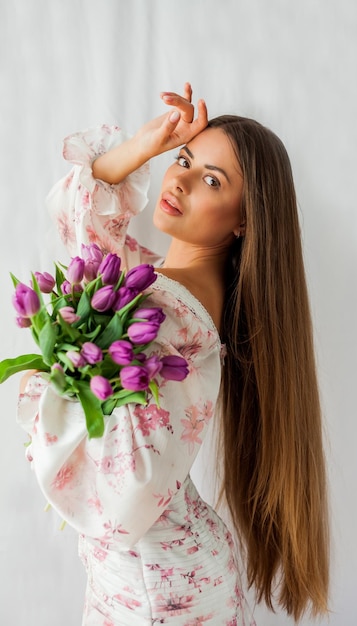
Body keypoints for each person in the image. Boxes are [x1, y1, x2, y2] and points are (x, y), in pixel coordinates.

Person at [18, 83, 329, 625]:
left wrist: (60, 388)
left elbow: (127, 482)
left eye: (211, 180)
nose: (179, 179)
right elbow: (83, 218)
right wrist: (147, 144)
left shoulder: (169, 311)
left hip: (156, 587)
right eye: (183, 160)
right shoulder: (166, 286)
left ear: (244, 221)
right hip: (164, 570)